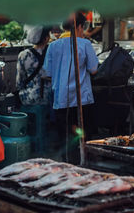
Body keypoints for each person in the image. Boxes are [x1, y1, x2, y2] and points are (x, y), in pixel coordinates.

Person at [44, 12, 99, 163]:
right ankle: (84, 162)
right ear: (79, 26)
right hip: (82, 99)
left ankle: (68, 163)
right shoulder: (85, 44)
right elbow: (94, 69)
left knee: (65, 134)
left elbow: (47, 73)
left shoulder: (52, 46)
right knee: (83, 133)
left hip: (61, 99)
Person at [16, 26, 52, 106]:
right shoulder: (52, 53)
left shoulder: (23, 55)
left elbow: (19, 82)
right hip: (51, 97)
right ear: (46, 38)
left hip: (30, 97)